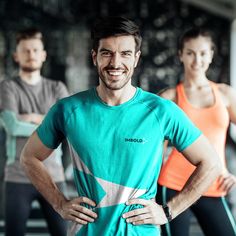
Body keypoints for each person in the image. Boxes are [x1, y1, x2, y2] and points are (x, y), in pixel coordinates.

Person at [20, 17, 221, 236]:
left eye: (125, 54)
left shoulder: (161, 111)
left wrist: (169, 211)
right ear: (94, 57)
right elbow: (29, 157)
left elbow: (210, 163)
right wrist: (59, 203)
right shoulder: (68, 110)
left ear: (136, 59)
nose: (115, 63)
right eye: (107, 53)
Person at [156, 27, 236, 236]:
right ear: (180, 55)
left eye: (202, 53)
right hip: (173, 186)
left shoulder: (226, 94)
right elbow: (154, 152)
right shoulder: (169, 98)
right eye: (190, 53)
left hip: (213, 183)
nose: (196, 60)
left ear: (211, 55)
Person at [0, 28, 68, 236]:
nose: (31, 55)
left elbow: (66, 127)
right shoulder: (8, 87)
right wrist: (47, 120)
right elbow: (13, 126)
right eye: (26, 50)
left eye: (35, 50)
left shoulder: (57, 87)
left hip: (54, 176)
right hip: (17, 177)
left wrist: (29, 117)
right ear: (16, 56)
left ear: (43, 54)